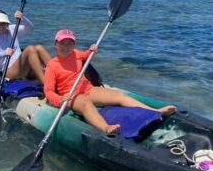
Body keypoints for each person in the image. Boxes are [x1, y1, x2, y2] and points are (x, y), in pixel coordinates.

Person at [44, 29, 176, 135]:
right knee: (85, 103)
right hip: (71, 96)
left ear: (74, 45)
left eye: (70, 43)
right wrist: (60, 100)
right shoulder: (52, 65)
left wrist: (92, 50)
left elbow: (85, 55)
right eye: (62, 43)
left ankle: (155, 111)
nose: (66, 47)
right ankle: (106, 127)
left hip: (88, 89)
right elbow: (48, 92)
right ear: (55, 44)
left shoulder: (76, 53)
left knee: (118, 96)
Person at [0, 10, 51, 83]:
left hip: (22, 67)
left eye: (3, 23)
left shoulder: (12, 29)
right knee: (30, 49)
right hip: (9, 71)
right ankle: (46, 85)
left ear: (7, 23)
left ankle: (58, 72)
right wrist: (5, 52)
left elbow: (29, 28)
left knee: (39, 48)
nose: (1, 26)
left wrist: (22, 18)